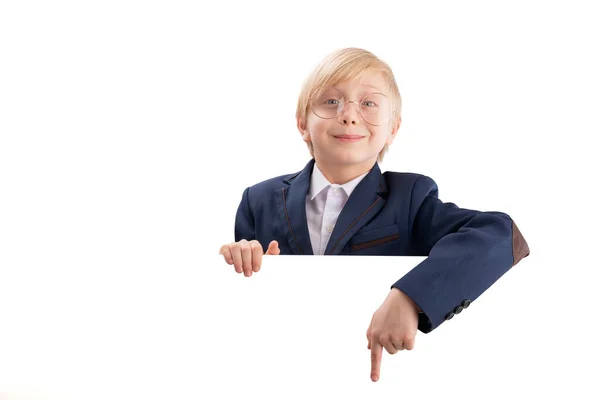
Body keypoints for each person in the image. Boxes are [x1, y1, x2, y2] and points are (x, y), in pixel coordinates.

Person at [218, 47, 530, 382]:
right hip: (281, 373)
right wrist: (240, 261)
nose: (349, 115)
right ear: (302, 124)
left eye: (368, 103)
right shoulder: (258, 200)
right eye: (331, 102)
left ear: (393, 128)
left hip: (377, 379)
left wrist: (411, 296)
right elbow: (239, 313)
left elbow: (501, 235)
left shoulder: (410, 199)